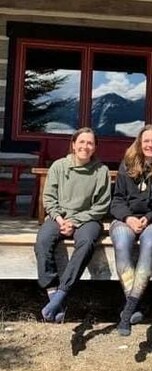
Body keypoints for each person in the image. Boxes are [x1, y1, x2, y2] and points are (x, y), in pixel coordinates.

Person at [35, 127, 111, 322]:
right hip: (59, 217)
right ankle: (53, 293)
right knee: (43, 240)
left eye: (90, 143)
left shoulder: (100, 171)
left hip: (88, 219)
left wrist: (75, 222)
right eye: (82, 142)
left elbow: (101, 205)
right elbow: (49, 198)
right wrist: (61, 220)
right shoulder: (59, 167)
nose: (85, 146)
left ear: (95, 148)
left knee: (86, 243)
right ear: (73, 144)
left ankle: (63, 292)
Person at [109, 125, 152, 336]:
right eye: (146, 141)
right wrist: (128, 218)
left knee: (148, 244)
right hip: (125, 219)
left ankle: (128, 310)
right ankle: (135, 303)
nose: (150, 145)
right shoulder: (126, 165)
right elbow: (117, 200)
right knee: (122, 244)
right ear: (139, 142)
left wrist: (149, 218)